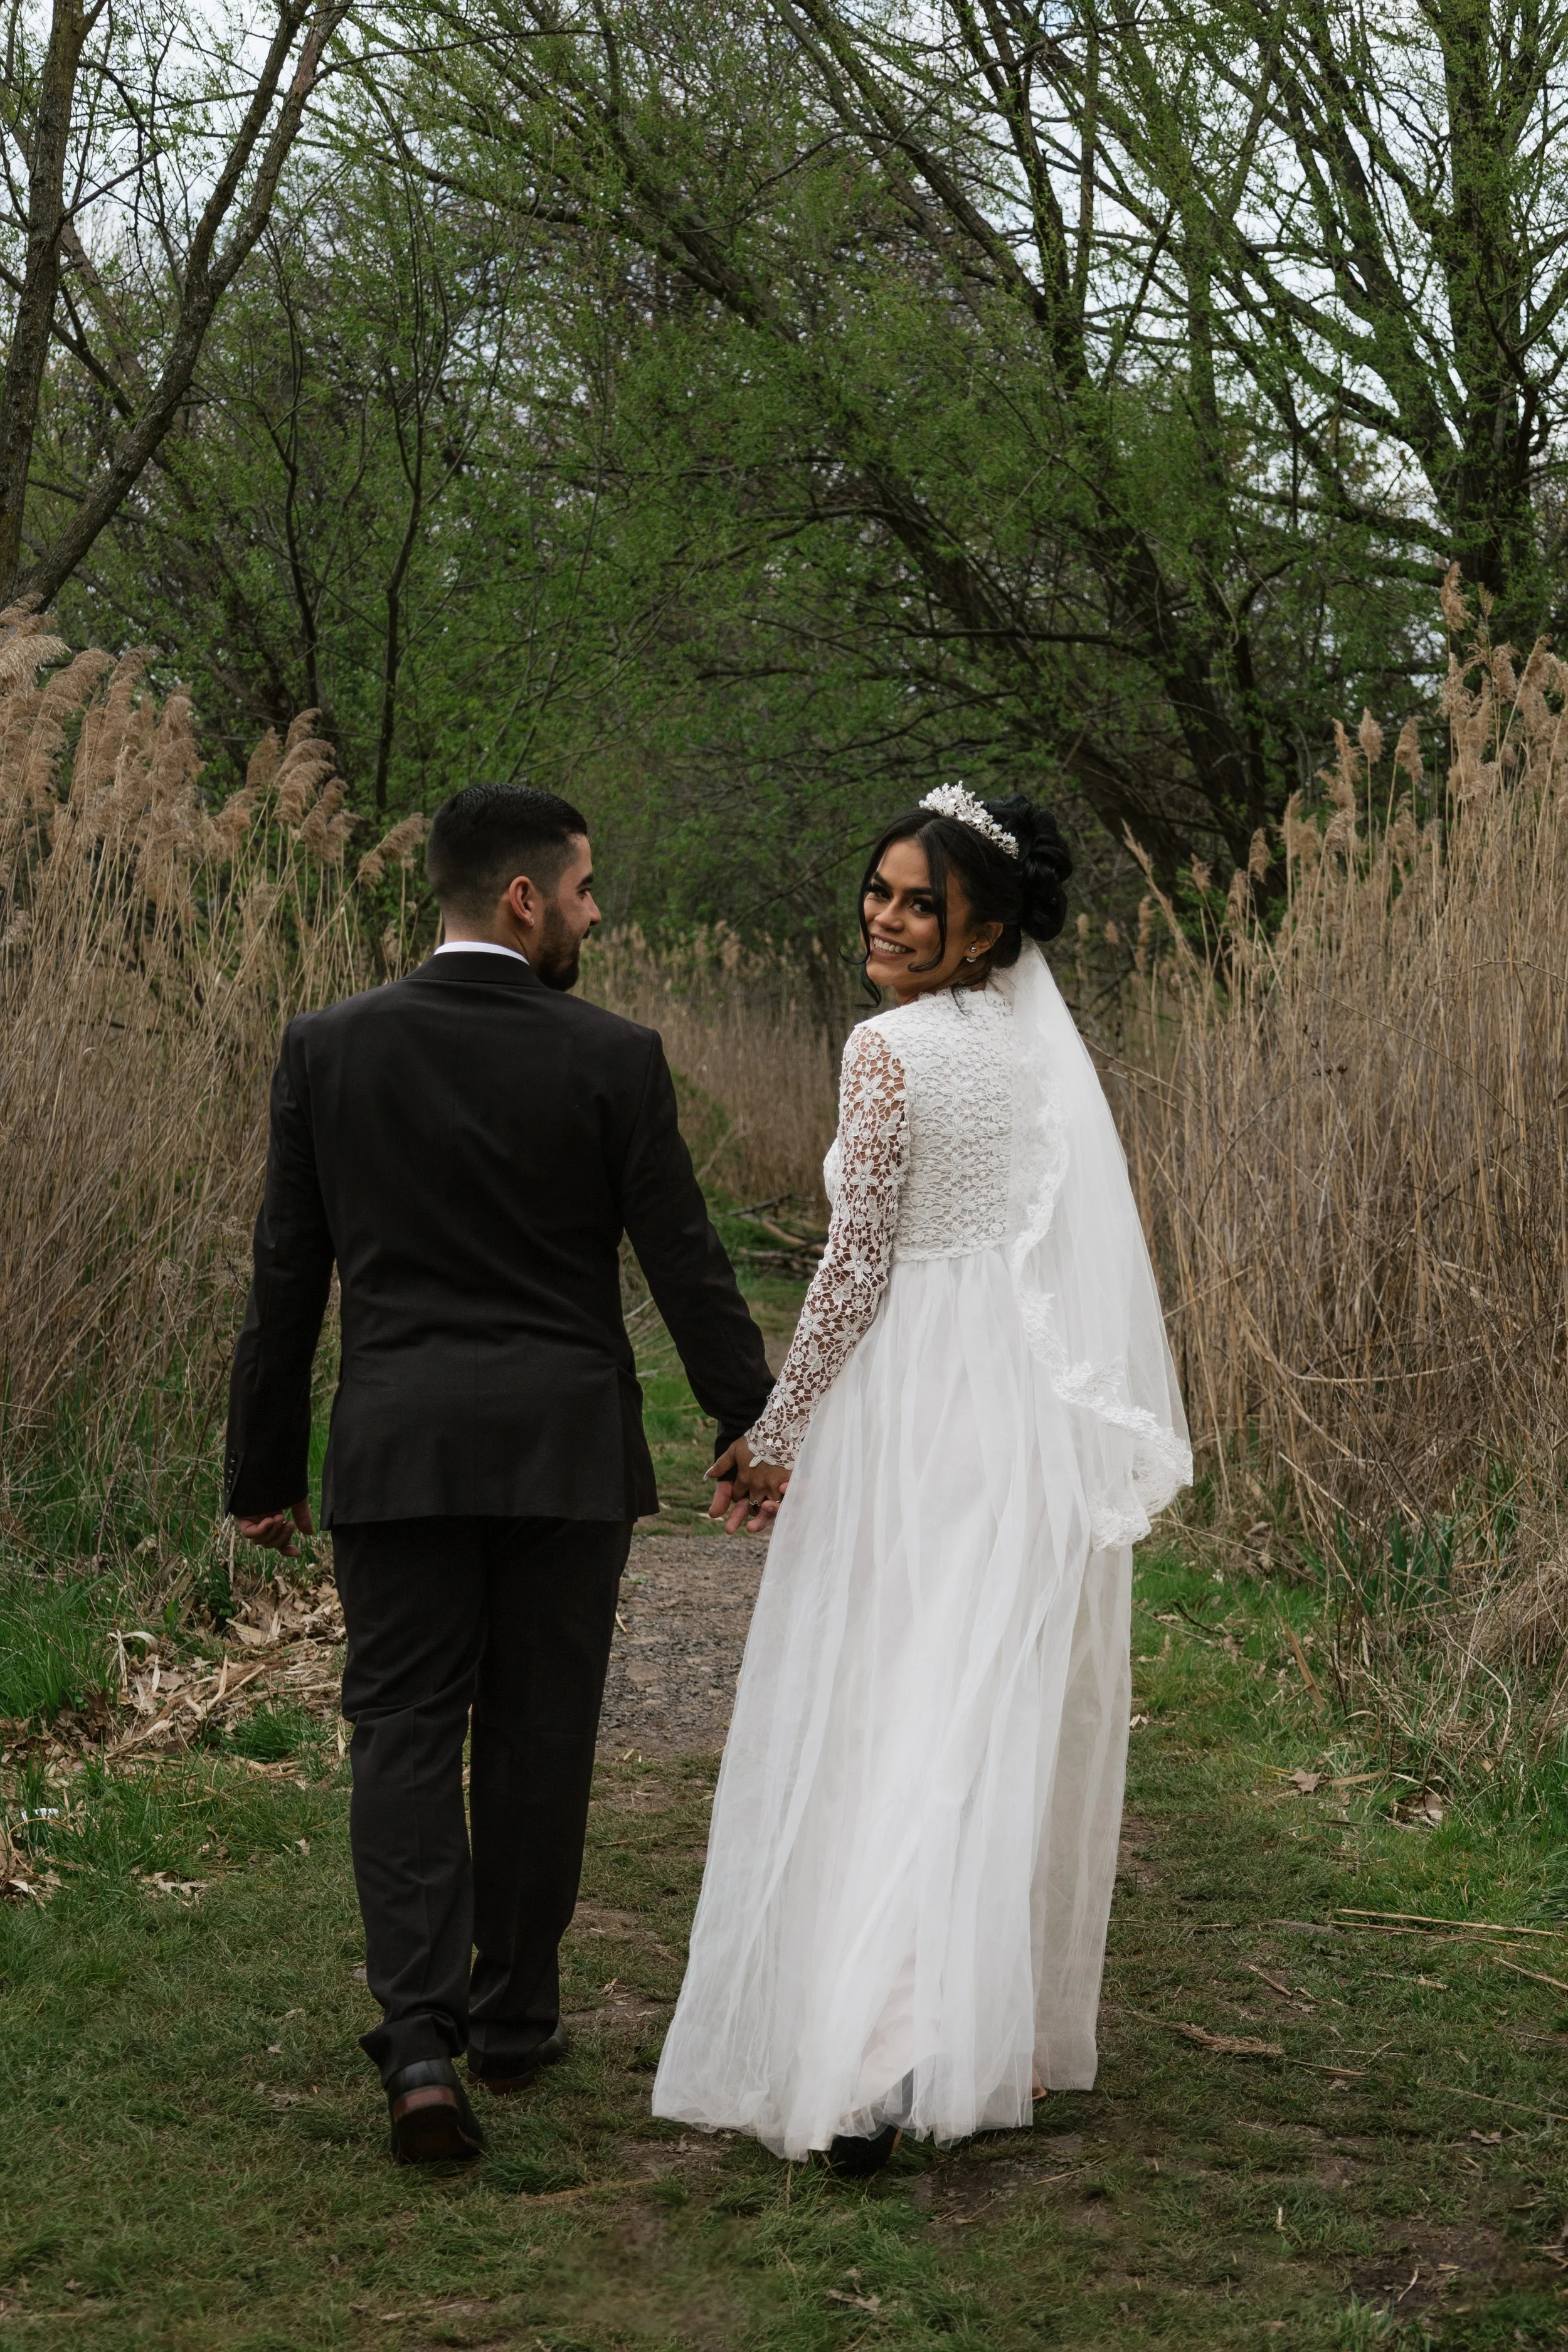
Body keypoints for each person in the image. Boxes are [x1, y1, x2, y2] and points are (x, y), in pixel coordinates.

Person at [224, 783, 773, 2164]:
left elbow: (286, 1280)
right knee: (537, 1730)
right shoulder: (613, 1054)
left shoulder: (327, 1048)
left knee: (402, 1729)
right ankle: (515, 2015)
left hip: (396, 1446)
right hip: (562, 1452)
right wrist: (751, 1423)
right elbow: (686, 1262)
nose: (596, 912)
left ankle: (419, 2039)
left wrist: (262, 1472)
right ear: (524, 899)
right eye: (585, 889)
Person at [653, 784, 1190, 2175]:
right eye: (878, 891)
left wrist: (776, 1429)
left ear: (983, 926)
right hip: (1015, 1408)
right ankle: (935, 2032)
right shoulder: (1037, 1056)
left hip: (915, 1403)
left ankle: (877, 2057)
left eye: (917, 902)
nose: (885, 920)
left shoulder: (885, 1049)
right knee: (971, 1711)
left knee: (895, 1708)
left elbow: (853, 1263)